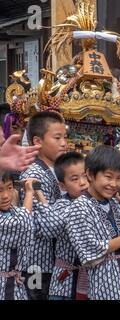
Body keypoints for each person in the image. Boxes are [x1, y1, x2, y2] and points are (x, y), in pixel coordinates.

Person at [65, 145, 120, 300]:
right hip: (105, 283)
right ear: (90, 174)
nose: (114, 184)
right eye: (108, 177)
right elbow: (88, 251)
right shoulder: (78, 207)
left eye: (119, 178)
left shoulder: (116, 204)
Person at [19, 111, 67, 300]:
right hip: (36, 262)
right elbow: (46, 226)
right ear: (37, 141)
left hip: (49, 263)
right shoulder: (33, 173)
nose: (64, 143)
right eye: (57, 138)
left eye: (65, 137)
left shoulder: (52, 170)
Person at [30, 152, 89, 300]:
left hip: (88, 278)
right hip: (64, 279)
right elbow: (51, 228)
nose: (82, 182)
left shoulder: (96, 203)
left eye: (85, 176)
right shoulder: (62, 204)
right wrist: (41, 196)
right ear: (62, 185)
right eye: (74, 179)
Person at [0, 172, 38, 300]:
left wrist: (38, 192)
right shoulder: (18, 217)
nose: (5, 196)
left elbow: (55, 224)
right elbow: (22, 223)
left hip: (15, 285)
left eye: (9, 187)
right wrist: (28, 193)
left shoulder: (14, 211)